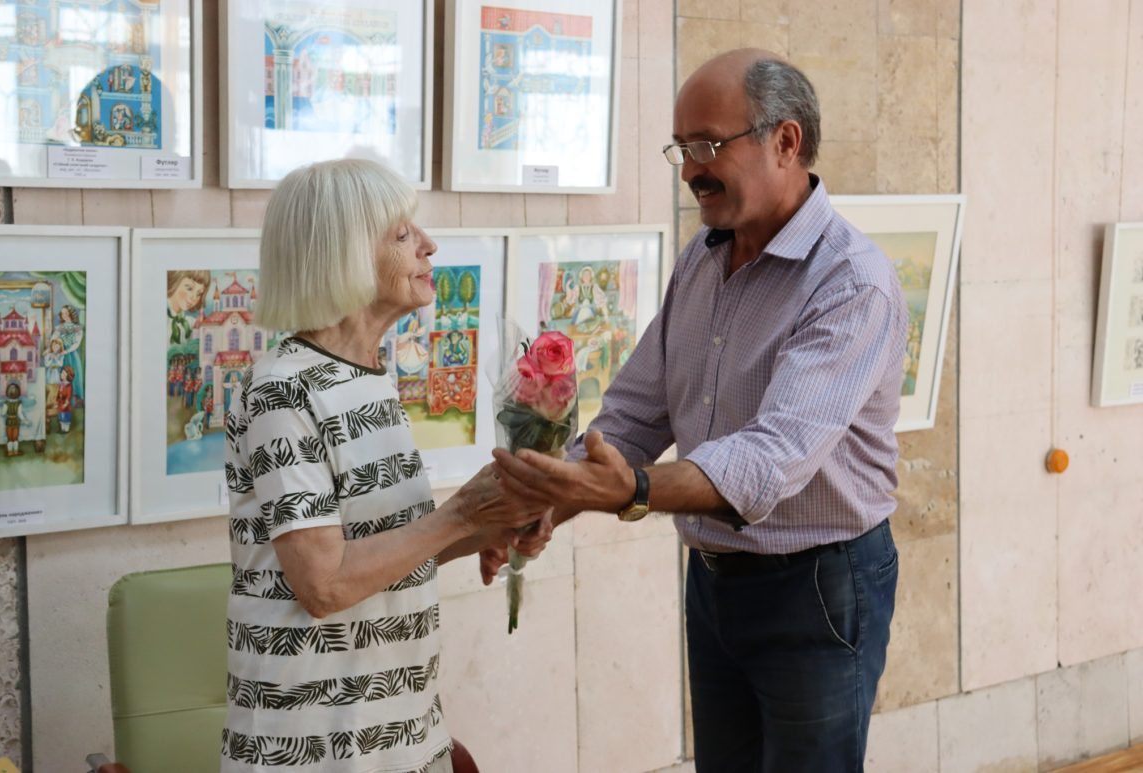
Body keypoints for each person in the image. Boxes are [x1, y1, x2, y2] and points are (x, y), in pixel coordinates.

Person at [489, 49, 907, 772]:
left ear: (786, 141)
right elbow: (635, 413)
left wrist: (632, 489)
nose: (689, 170)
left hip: (819, 585)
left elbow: (769, 458)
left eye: (709, 145)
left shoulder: (851, 282)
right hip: (714, 580)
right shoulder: (702, 258)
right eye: (682, 148)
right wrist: (551, 497)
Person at [221, 158, 549, 773]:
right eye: (402, 234)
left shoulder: (369, 378)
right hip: (317, 746)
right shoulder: (282, 391)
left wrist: (493, 526)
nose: (428, 245)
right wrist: (461, 515)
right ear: (343, 256)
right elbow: (324, 585)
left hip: (404, 734)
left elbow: (380, 553)